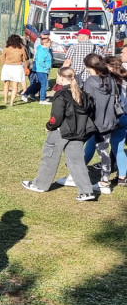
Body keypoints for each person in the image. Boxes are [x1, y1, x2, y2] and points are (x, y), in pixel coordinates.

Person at [22, 66, 98, 201]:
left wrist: (49, 126)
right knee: (77, 161)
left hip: (61, 131)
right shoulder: (83, 94)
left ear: (62, 77)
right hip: (79, 133)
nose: (56, 78)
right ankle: (87, 191)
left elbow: (56, 117)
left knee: (50, 156)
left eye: (57, 76)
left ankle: (40, 184)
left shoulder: (61, 95)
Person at [82, 53, 117, 194]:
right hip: (109, 121)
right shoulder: (110, 79)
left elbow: (87, 104)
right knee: (104, 152)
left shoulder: (90, 81)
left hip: (94, 122)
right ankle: (104, 181)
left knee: (76, 147)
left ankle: (76, 176)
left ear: (88, 66)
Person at [107, 55, 127, 189]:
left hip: (113, 116)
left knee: (95, 143)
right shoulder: (125, 78)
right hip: (124, 116)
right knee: (119, 149)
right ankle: (122, 177)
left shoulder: (111, 81)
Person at [23, 30, 53, 104]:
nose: (50, 43)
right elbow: (40, 61)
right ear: (45, 43)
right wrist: (46, 66)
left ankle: (25, 94)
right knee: (45, 84)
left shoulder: (46, 50)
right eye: (49, 42)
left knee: (38, 84)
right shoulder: (42, 51)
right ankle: (42, 99)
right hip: (41, 70)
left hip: (43, 70)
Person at [0, 34, 29, 106]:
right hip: (17, 67)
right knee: (15, 86)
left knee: (6, 83)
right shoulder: (22, 49)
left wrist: (3, 64)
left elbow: (2, 57)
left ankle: (5, 99)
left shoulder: (6, 48)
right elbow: (25, 59)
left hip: (7, 67)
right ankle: (12, 102)